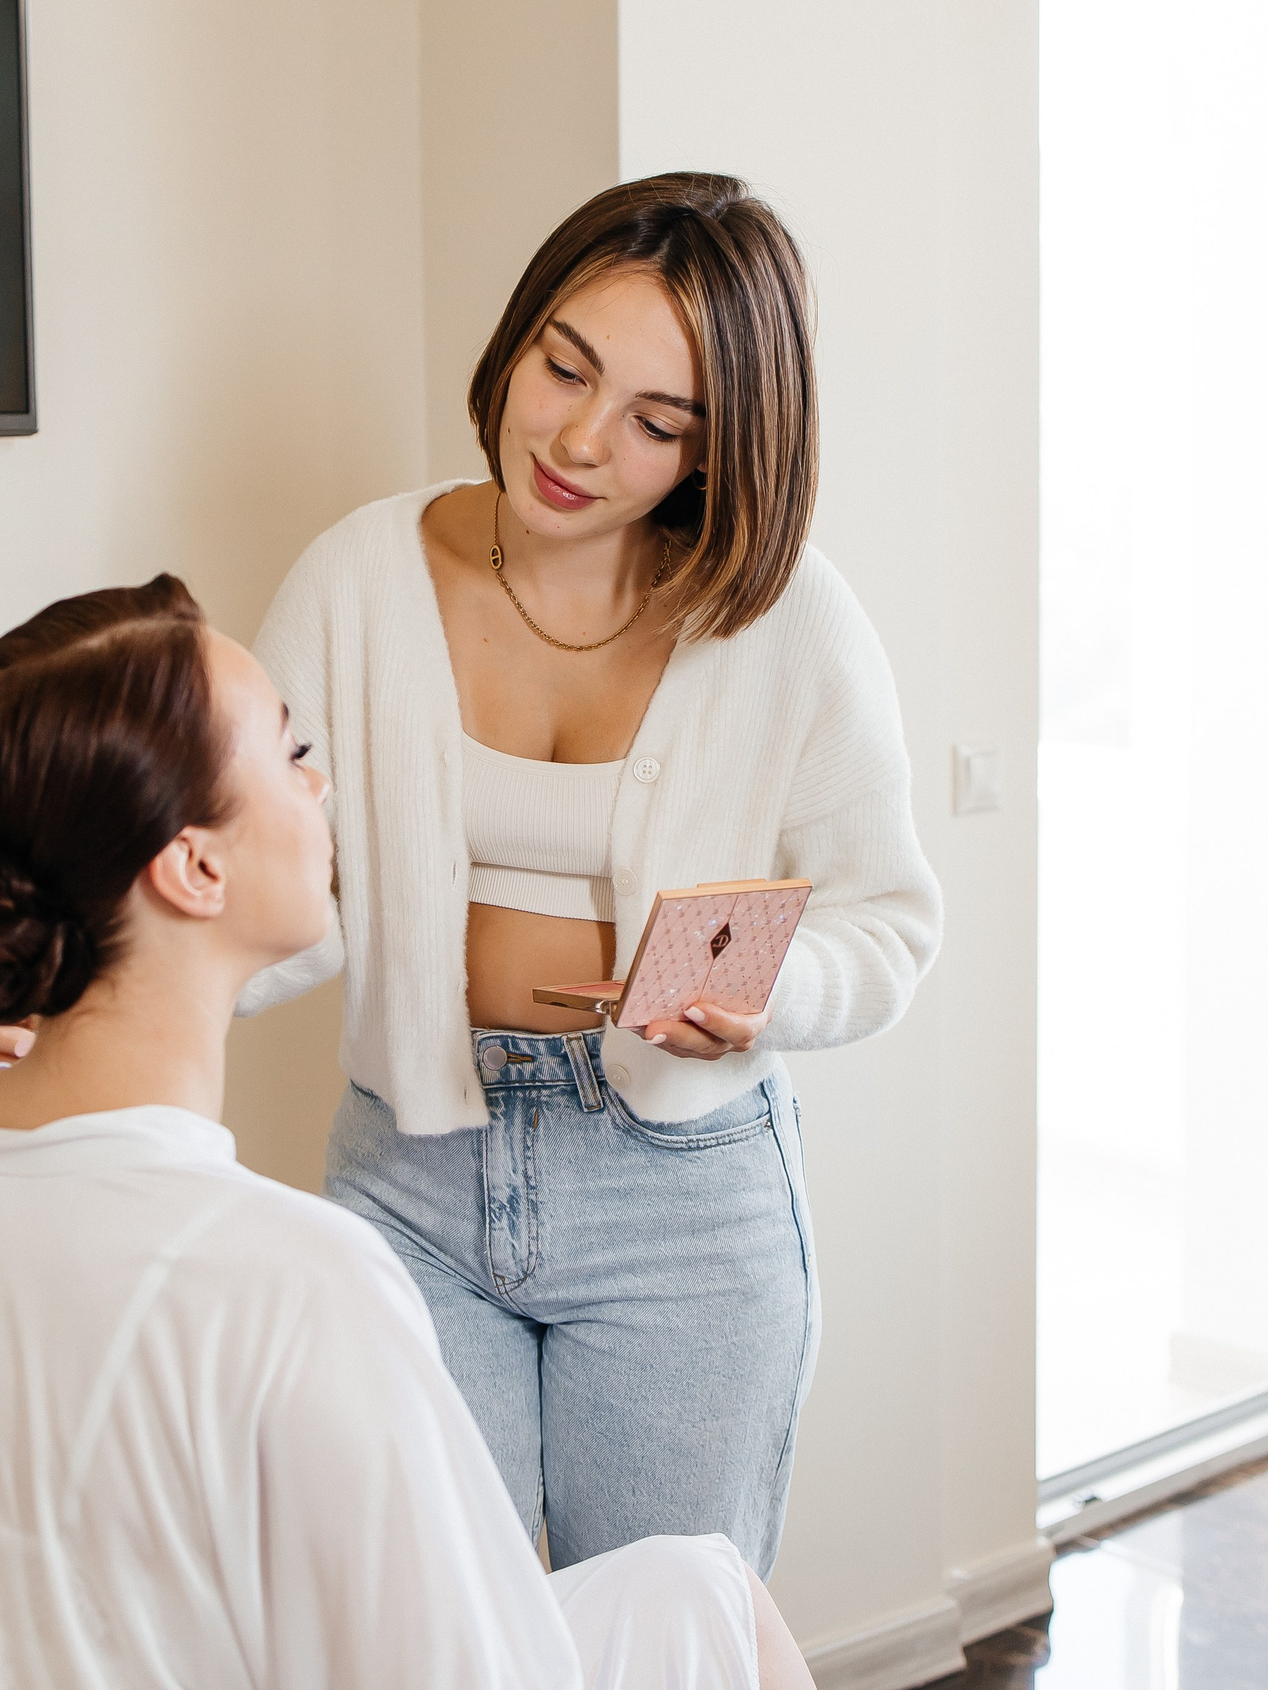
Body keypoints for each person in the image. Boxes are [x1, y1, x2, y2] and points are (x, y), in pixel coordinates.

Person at [0, 576, 814, 1690]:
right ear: (197, 867)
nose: (320, 786)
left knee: (691, 1585)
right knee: (716, 1602)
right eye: (288, 756)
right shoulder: (288, 1281)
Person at [240, 172, 942, 1575]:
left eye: (656, 420)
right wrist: (89, 992)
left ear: (716, 447)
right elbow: (279, 894)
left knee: (662, 1645)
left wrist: (757, 990)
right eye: (565, 364)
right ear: (519, 334)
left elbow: (889, 920)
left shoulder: (786, 611)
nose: (574, 437)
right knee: (439, 1641)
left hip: (684, 1197)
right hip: (410, 1178)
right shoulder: (355, 577)